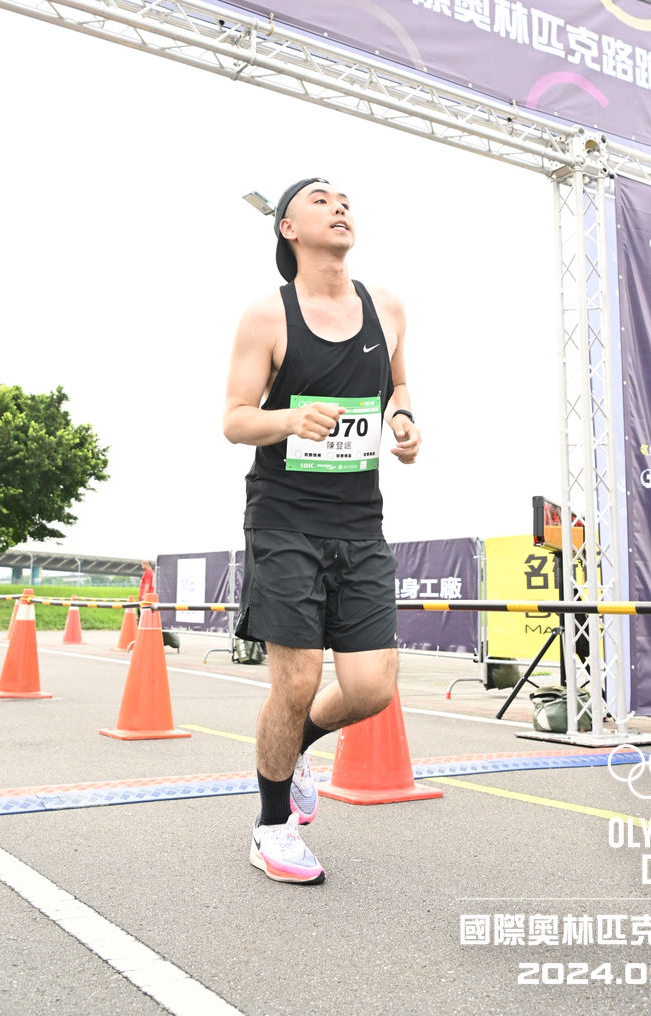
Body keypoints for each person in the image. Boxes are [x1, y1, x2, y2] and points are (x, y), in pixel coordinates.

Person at [223, 178, 421, 884]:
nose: (339, 206)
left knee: (370, 689)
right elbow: (234, 418)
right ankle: (272, 826)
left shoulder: (386, 307)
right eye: (319, 200)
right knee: (298, 678)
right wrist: (289, 419)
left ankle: (294, 747)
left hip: (359, 522)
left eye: (344, 199)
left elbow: (398, 385)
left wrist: (403, 420)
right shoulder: (267, 316)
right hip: (284, 518)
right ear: (287, 228)